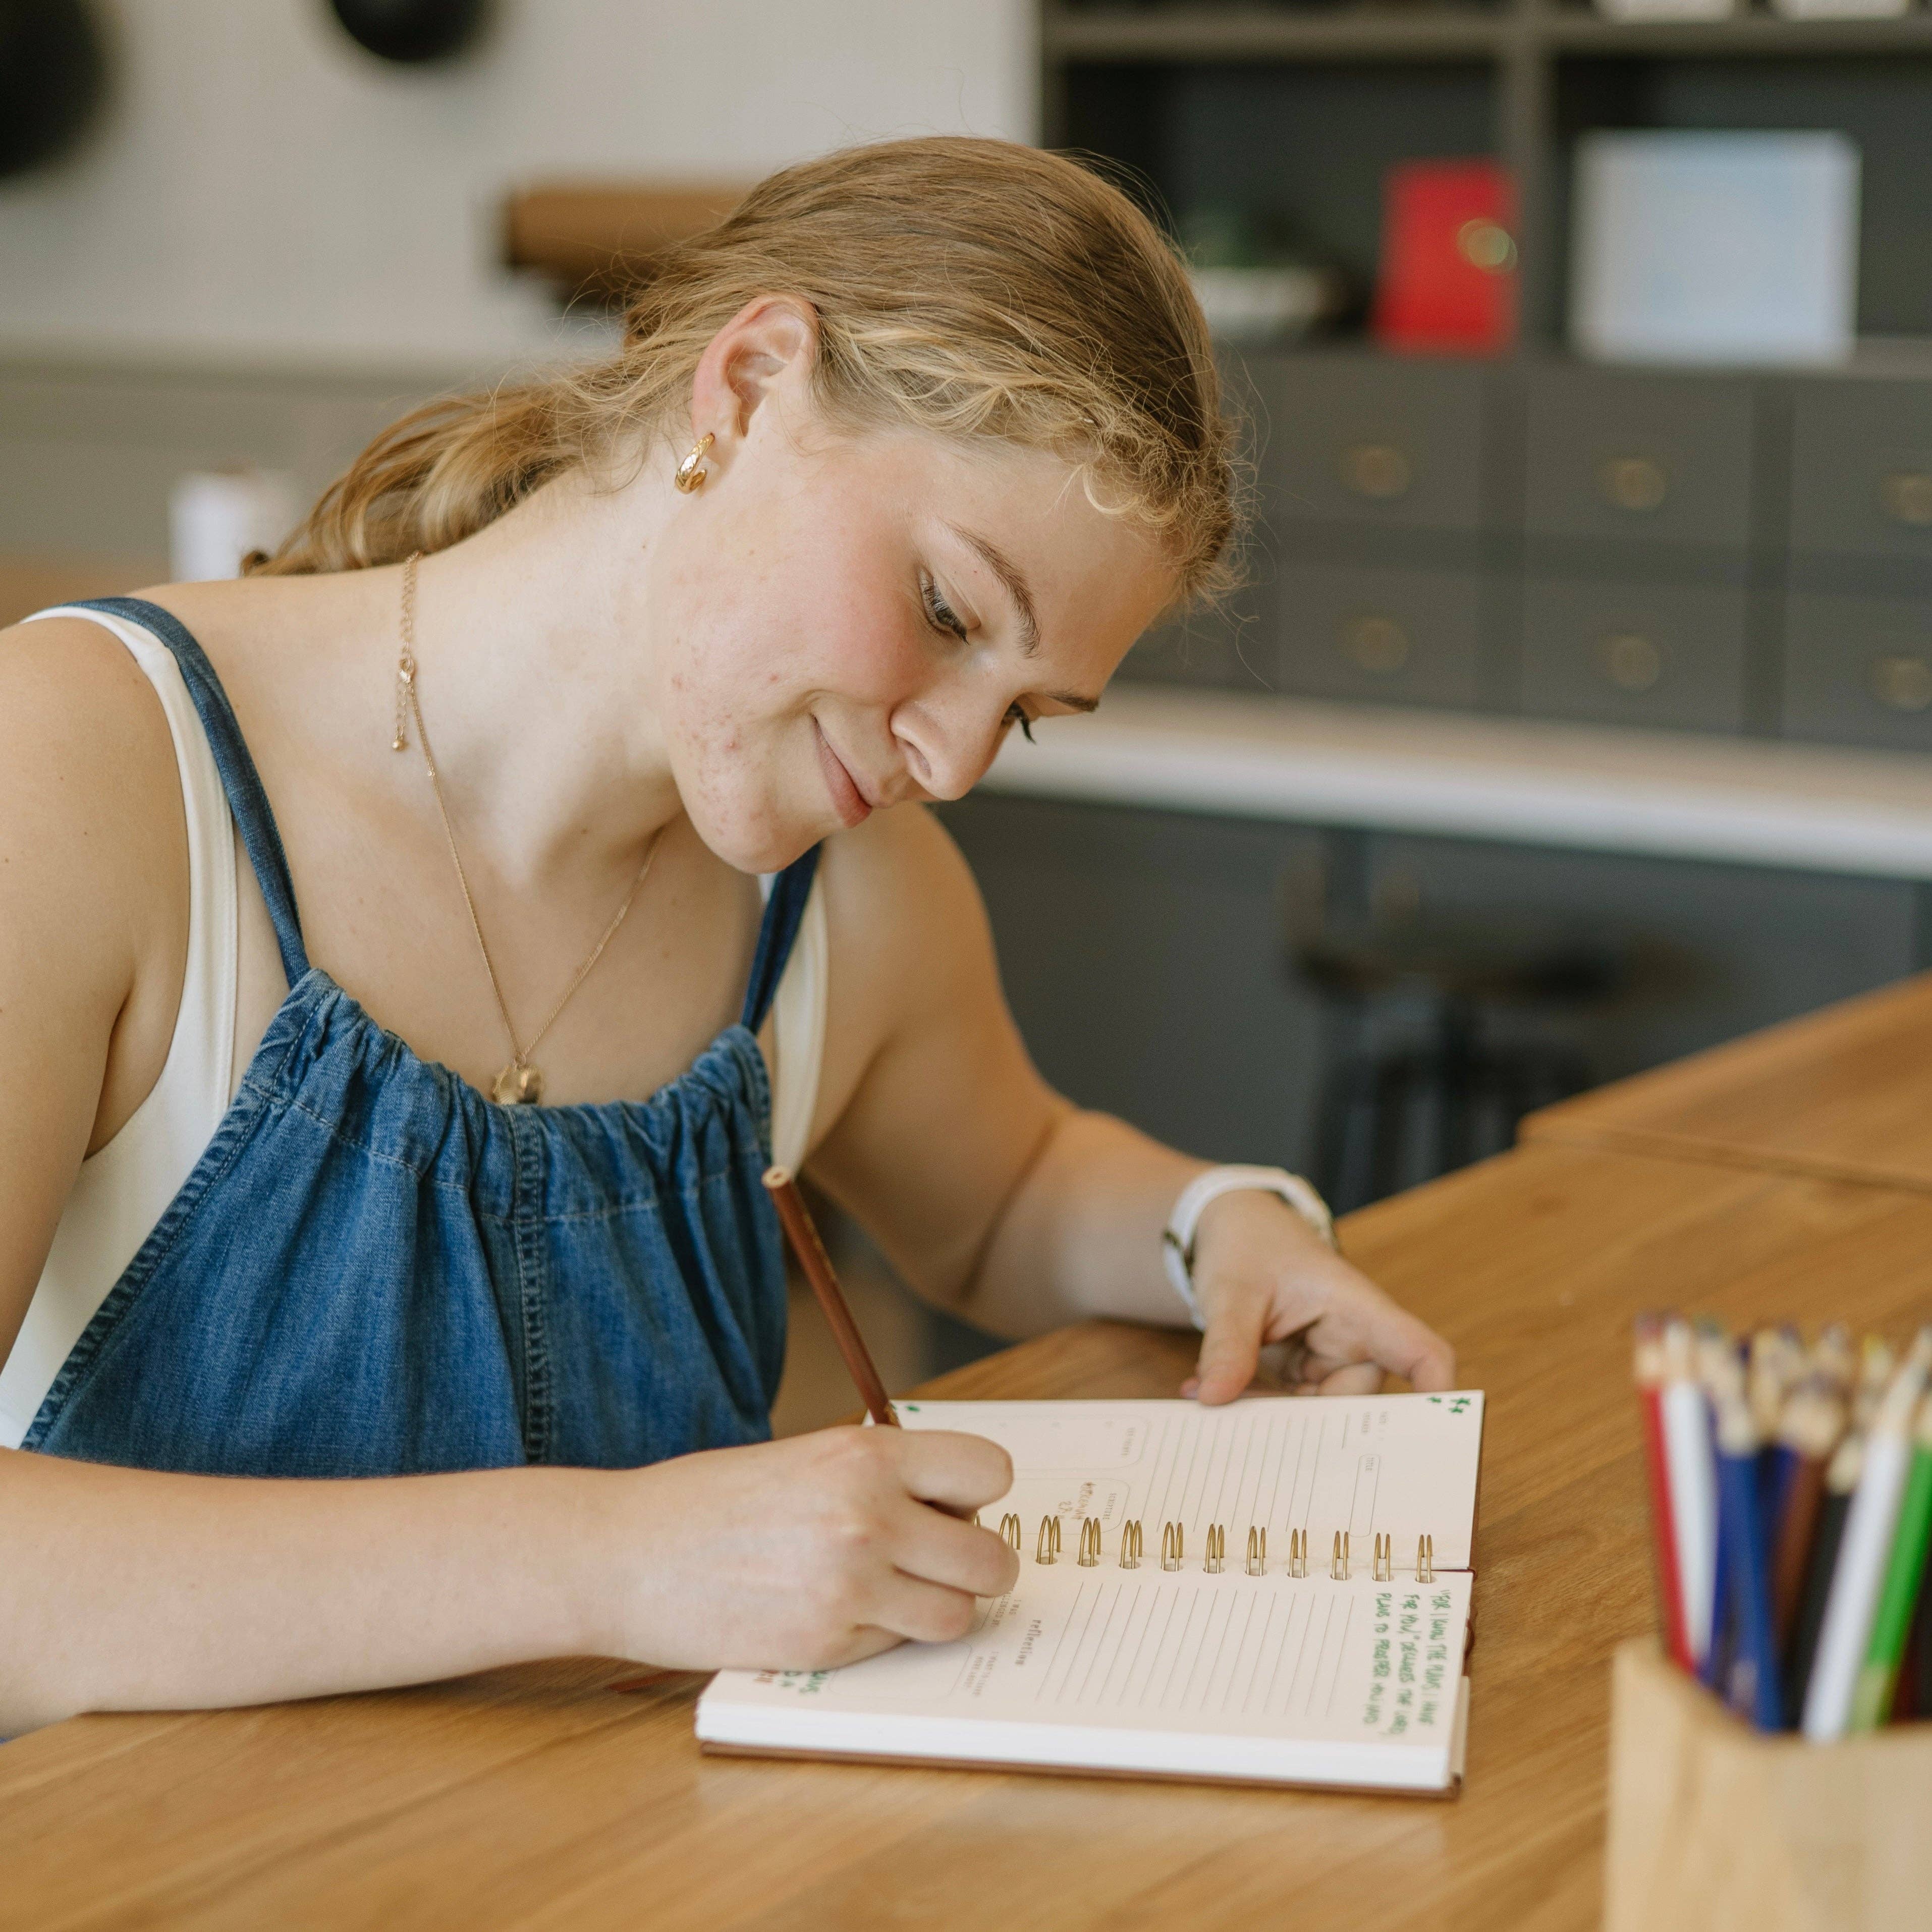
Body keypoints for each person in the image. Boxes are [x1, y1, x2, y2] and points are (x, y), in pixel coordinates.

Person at [0, 137, 1452, 1737]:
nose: (954, 764)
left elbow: (1010, 1190)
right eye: (951, 614)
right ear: (750, 386)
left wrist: (1219, 1226)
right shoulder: (81, 771)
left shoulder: (851, 899)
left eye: (1024, 717)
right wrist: (615, 1559)